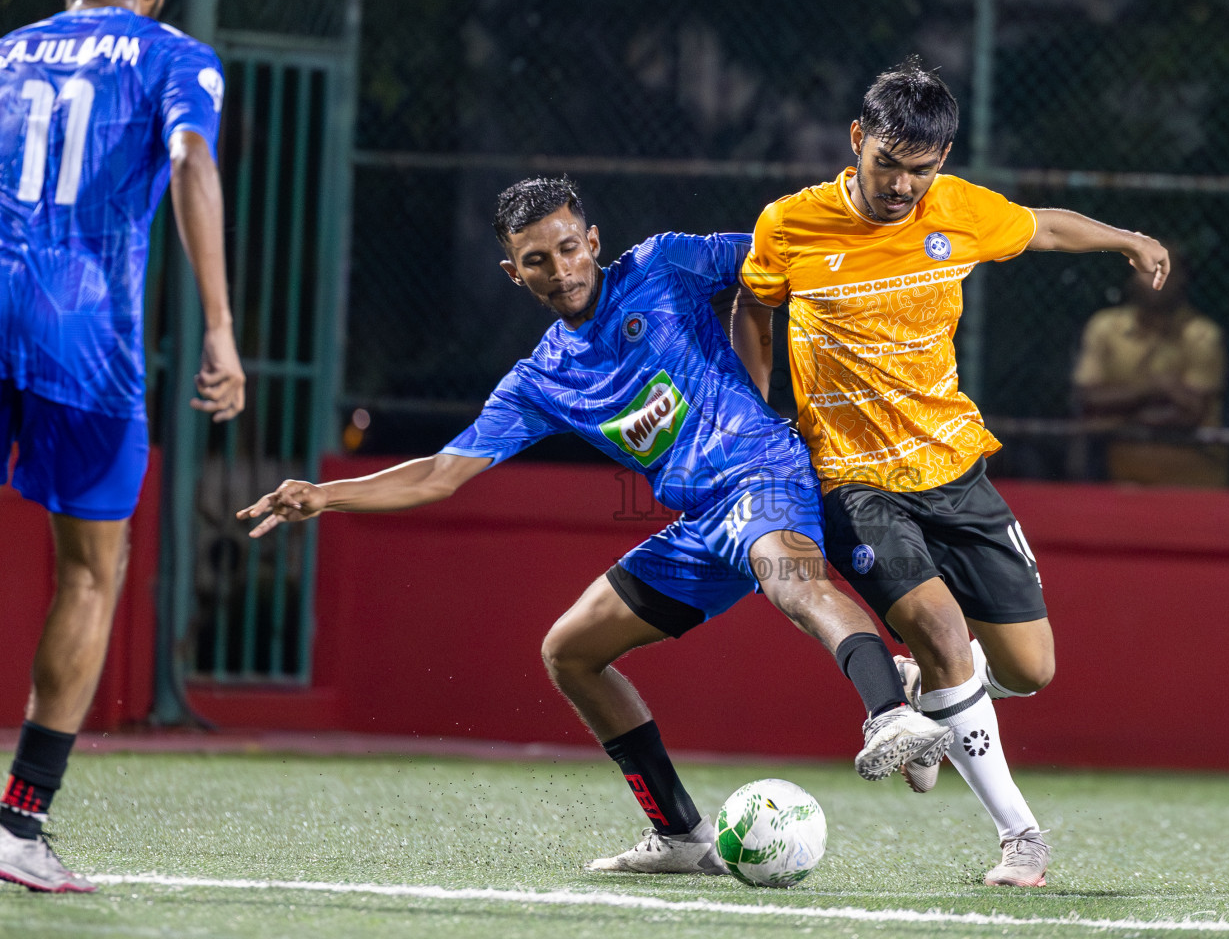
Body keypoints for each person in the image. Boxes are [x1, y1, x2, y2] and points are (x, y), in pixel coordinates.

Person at [238, 177, 950, 875]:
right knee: (570, 651)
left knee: (791, 580)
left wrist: (883, 252)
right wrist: (327, 496)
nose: (560, 269)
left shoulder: (665, 264)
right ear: (513, 272)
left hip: (765, 473)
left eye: (570, 248)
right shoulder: (541, 380)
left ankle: (887, 711)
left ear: (594, 241)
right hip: (702, 520)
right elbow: (439, 473)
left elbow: (780, 254)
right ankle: (680, 834)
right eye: (538, 260)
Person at [739, 56, 1169, 888]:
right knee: (943, 629)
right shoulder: (792, 223)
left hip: (953, 466)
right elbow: (754, 306)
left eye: (921, 170)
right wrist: (762, 413)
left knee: (1029, 671)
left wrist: (1125, 237)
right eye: (888, 164)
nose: (902, 186)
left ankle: (932, 689)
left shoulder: (960, 211)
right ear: (857, 140)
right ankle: (1021, 837)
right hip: (854, 477)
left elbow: (1040, 226)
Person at [0, 0, 245, 893]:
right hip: (83, 340)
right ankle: (18, 825)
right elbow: (192, 162)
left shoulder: (7, 55)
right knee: (92, 573)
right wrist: (220, 326)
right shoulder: (174, 56)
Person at [1072, 254, 1228, 488]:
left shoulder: (1201, 334)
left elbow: (1192, 412)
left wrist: (1116, 419)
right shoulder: (1105, 327)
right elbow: (1088, 399)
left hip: (1195, 484)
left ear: (1183, 279)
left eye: (1166, 270)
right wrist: (1157, 388)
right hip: (1124, 482)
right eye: (1147, 269)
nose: (1156, 278)